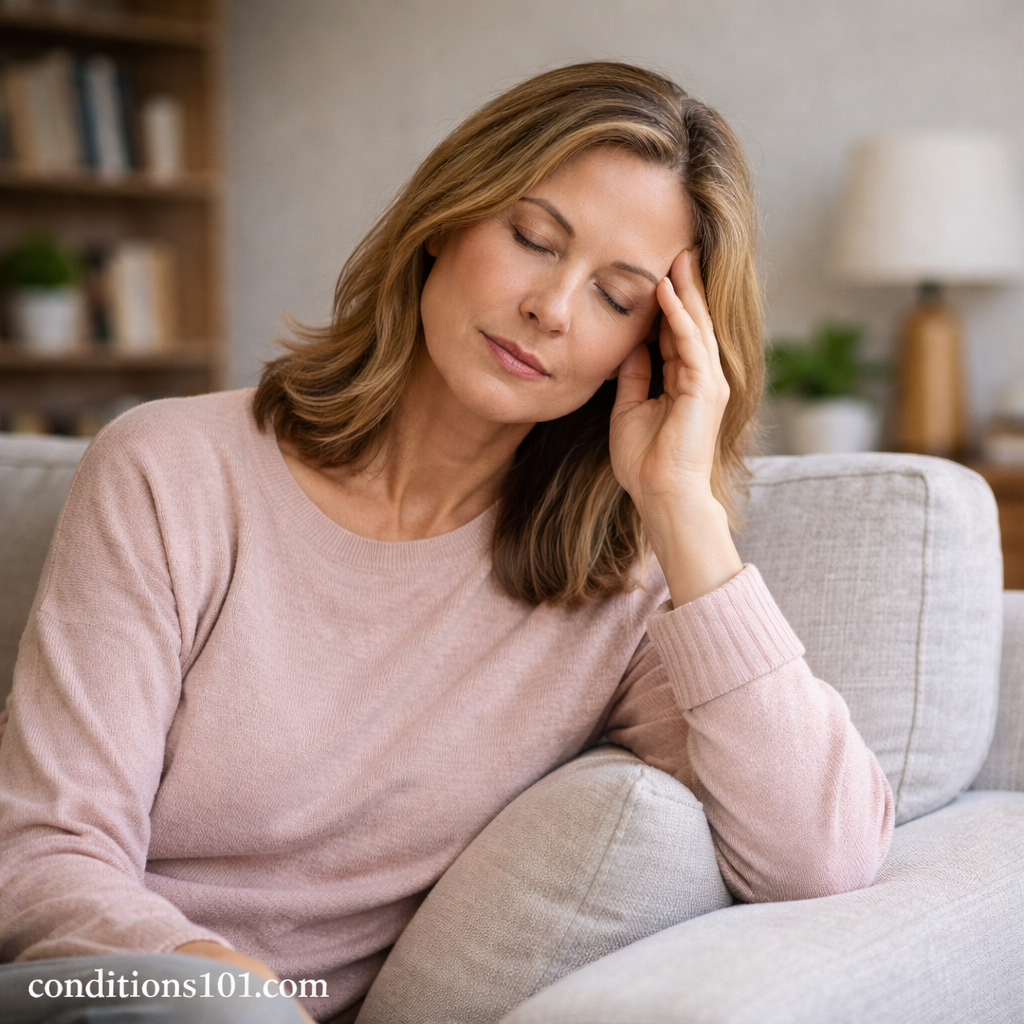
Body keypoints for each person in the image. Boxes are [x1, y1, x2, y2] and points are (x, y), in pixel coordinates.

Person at [0, 62, 894, 1024]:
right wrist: (232, 990)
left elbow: (822, 855)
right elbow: (44, 852)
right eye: (533, 239)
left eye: (617, 296)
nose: (552, 307)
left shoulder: (613, 591)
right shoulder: (171, 469)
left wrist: (682, 505)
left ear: (653, 350)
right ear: (445, 218)